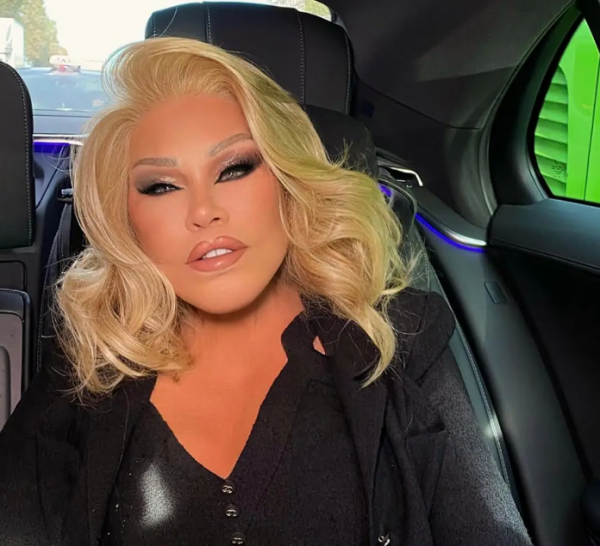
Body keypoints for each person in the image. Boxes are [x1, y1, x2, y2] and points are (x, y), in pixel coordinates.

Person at [0, 37, 532, 546]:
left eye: (234, 168)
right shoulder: (92, 361)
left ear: (287, 181)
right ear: (128, 220)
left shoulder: (400, 338)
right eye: (161, 186)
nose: (203, 211)